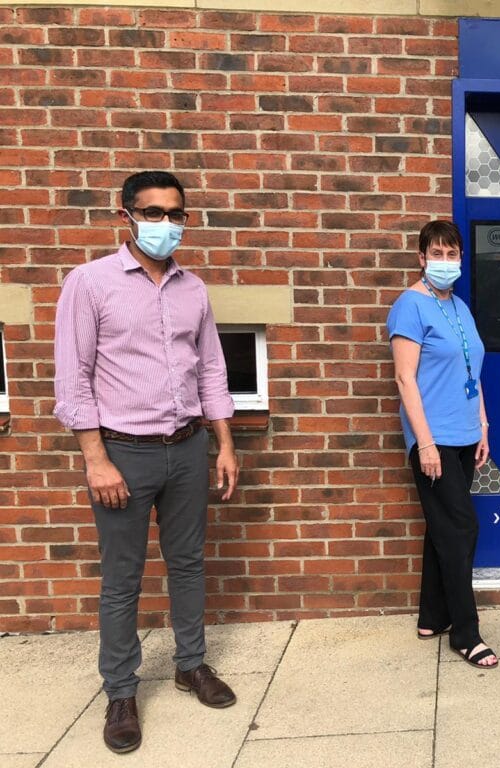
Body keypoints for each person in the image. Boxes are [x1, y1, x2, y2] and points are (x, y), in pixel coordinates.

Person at [53, 171, 240, 753]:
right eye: (153, 212)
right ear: (126, 216)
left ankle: (190, 664)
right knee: (122, 580)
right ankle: (120, 693)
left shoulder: (194, 289)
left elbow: (210, 368)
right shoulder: (89, 284)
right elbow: (73, 378)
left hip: (186, 448)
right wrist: (95, 459)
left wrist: (225, 443)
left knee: (187, 563)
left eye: (176, 213)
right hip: (122, 454)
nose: (166, 224)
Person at [386, 220, 498, 669]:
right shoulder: (410, 306)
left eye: (453, 254)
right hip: (433, 440)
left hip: (465, 434)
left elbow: (473, 371)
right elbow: (404, 378)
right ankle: (465, 634)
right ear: (421, 257)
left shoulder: (459, 307)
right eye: (437, 253)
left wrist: (484, 425)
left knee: (443, 528)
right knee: (461, 530)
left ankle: (432, 617)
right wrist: (425, 444)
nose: (446, 262)